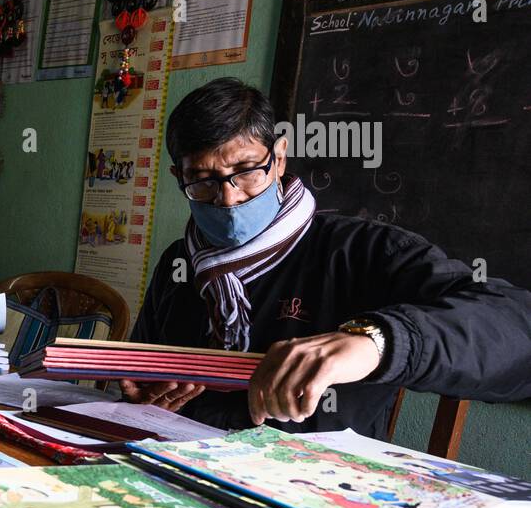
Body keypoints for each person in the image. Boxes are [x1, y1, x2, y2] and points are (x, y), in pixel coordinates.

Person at [123, 77, 531, 437]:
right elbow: (140, 369)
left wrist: (376, 342)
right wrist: (140, 389)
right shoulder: (180, 263)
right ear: (180, 177)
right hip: (181, 469)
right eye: (204, 181)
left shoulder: (363, 253)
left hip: (316, 491)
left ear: (278, 158)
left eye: (247, 170)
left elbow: (516, 328)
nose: (229, 198)